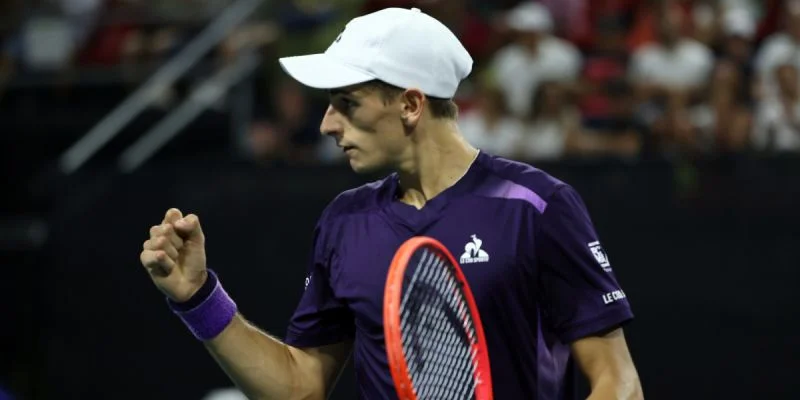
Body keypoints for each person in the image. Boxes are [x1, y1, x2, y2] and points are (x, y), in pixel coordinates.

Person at [139, 7, 642, 400]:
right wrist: (198, 298)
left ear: (410, 104)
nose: (327, 124)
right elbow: (299, 387)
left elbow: (618, 383)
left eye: (347, 104)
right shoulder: (344, 221)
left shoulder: (536, 207)